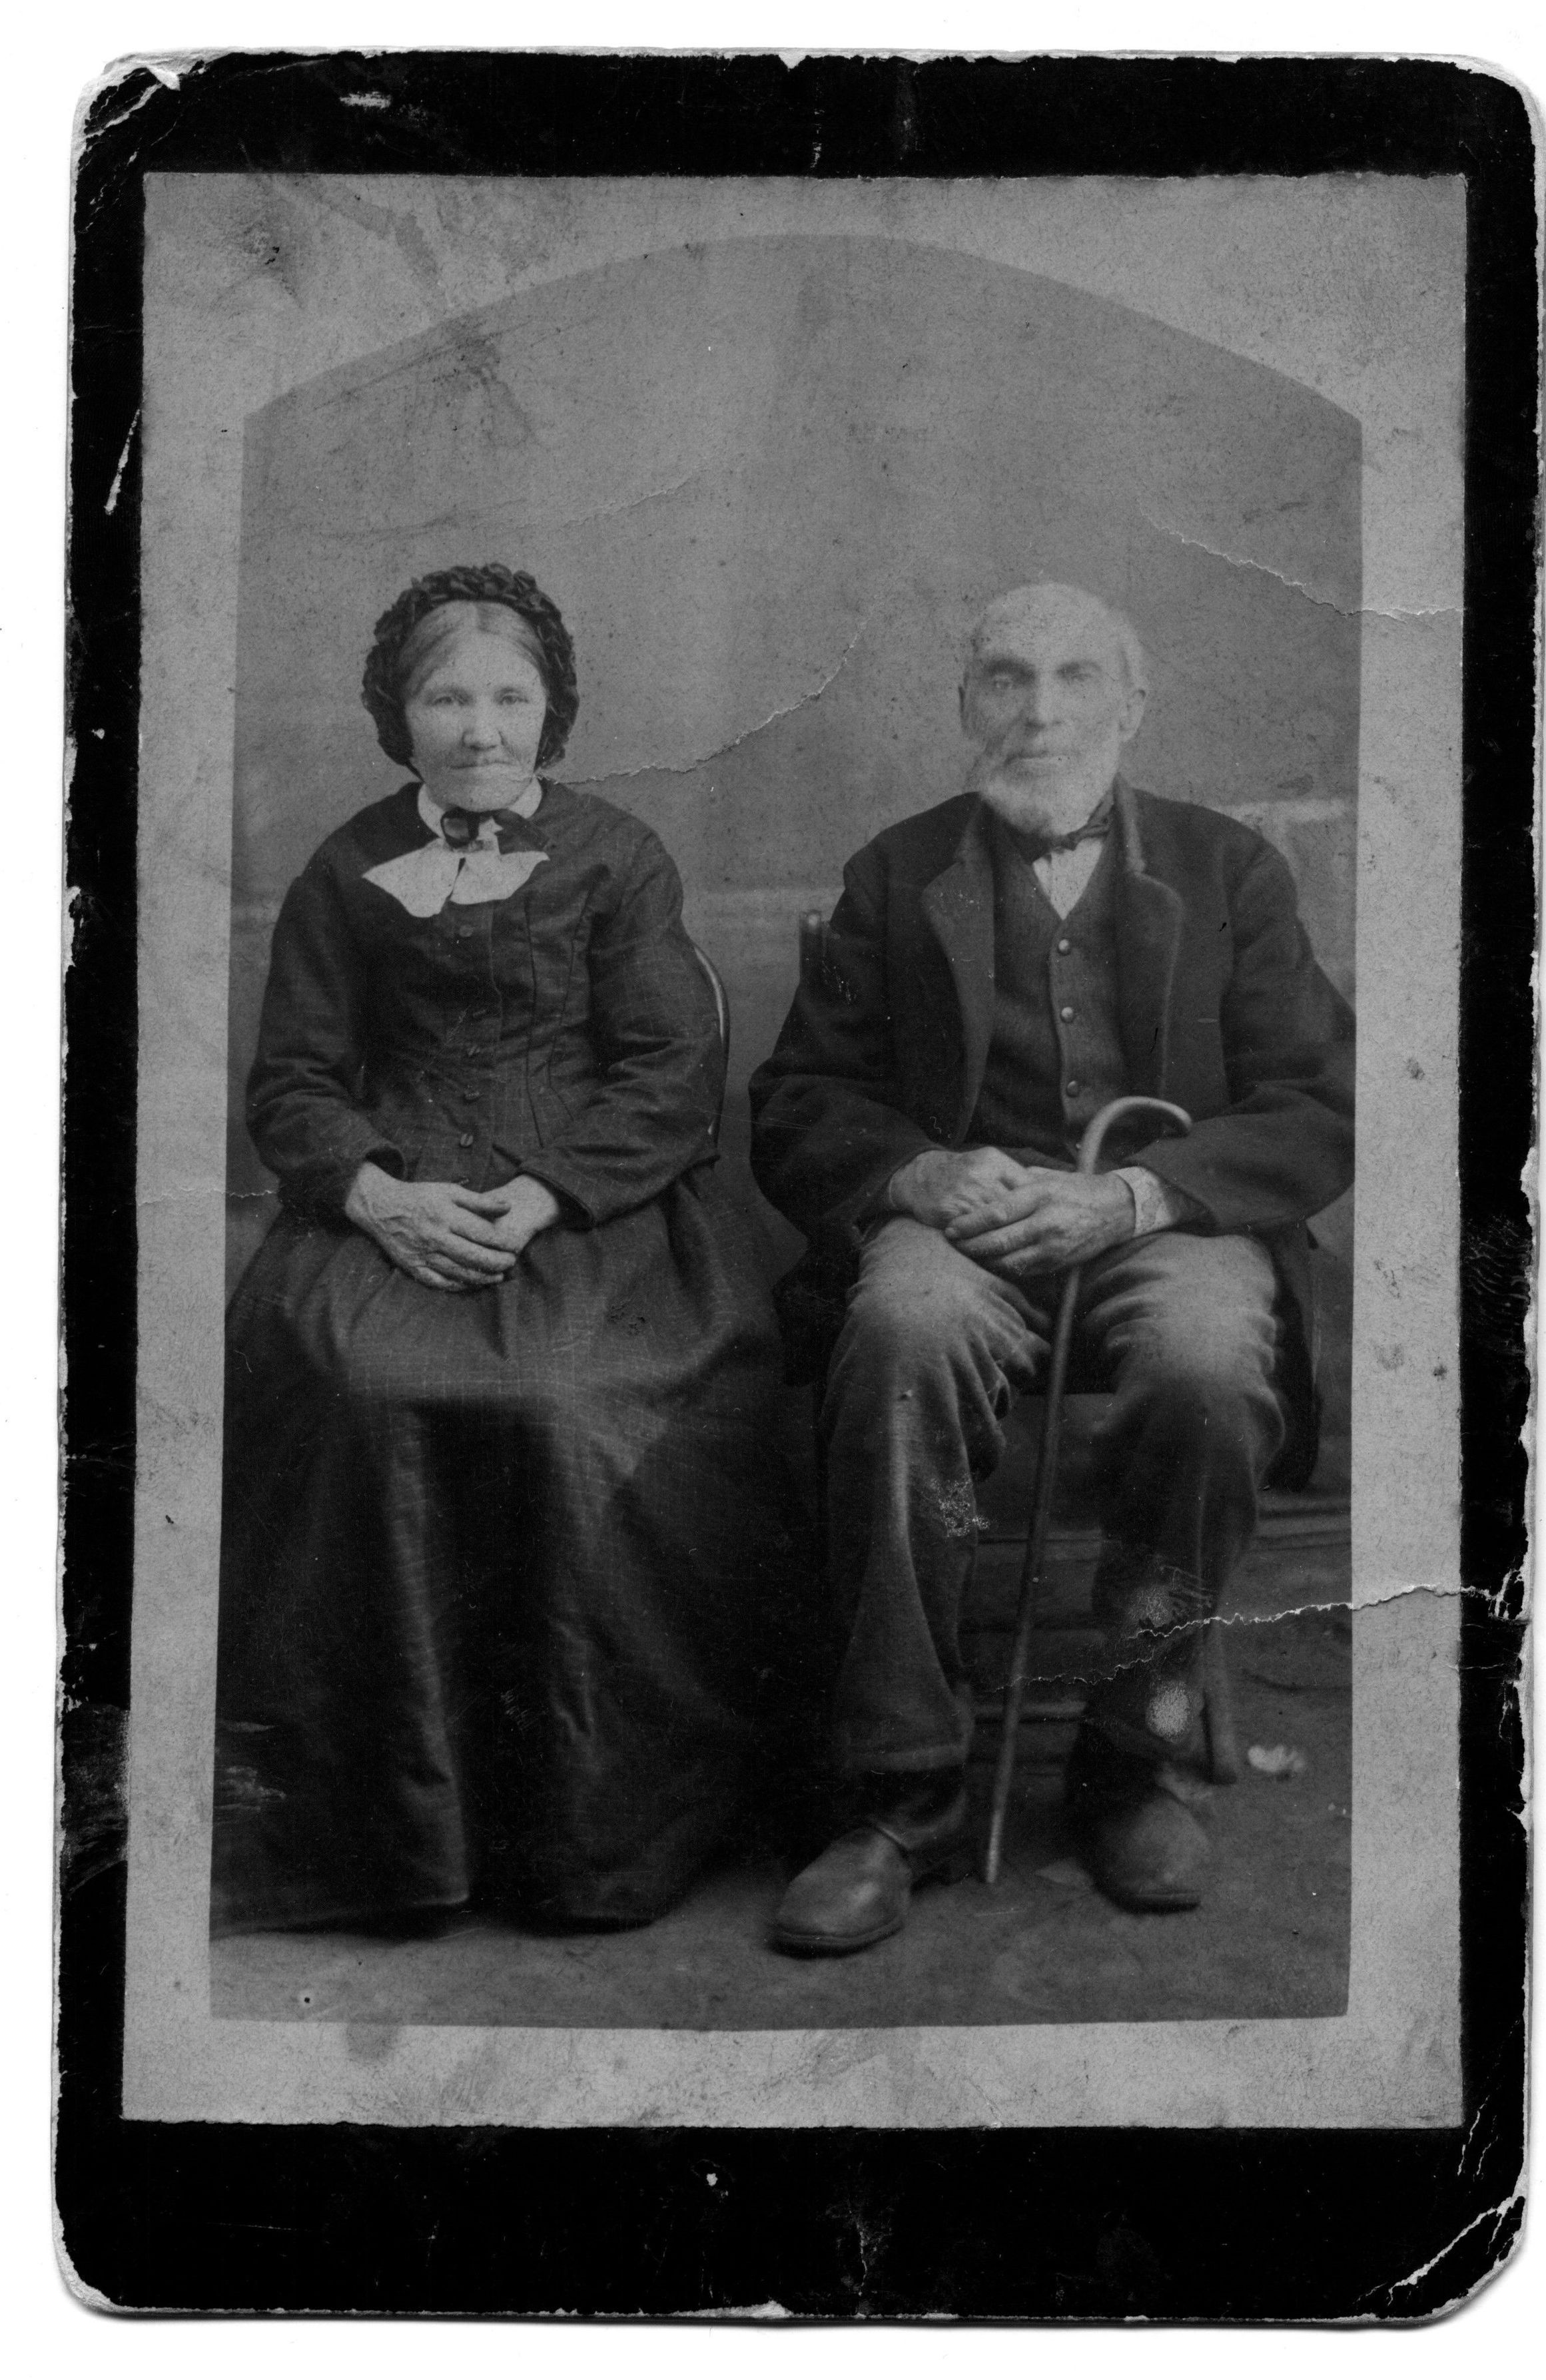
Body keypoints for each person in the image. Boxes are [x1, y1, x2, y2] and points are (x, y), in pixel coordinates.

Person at [748, 582, 1354, 1954]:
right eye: (1008, 678)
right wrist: (921, 1175)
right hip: (961, 1226)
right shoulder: (895, 872)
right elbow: (800, 1098)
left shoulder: (1230, 869)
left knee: (1208, 1364)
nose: (1041, 711)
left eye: (1078, 677)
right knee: (897, 1334)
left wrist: (1139, 1192)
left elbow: (1320, 1098)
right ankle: (904, 1789)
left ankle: (1132, 1755)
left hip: (1166, 1218)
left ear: (1131, 706)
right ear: (967, 703)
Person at [212, 562, 806, 1936]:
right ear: (398, 715)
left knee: (565, 1405)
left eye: (509, 698)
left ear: (552, 712)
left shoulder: (618, 855)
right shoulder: (345, 868)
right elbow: (294, 1078)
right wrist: (376, 1195)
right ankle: (397, 1842)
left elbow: (670, 1068)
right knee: (356, 1391)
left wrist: (547, 1195)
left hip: (590, 1205)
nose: (481, 728)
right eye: (447, 699)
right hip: (394, 1191)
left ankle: (581, 1837)